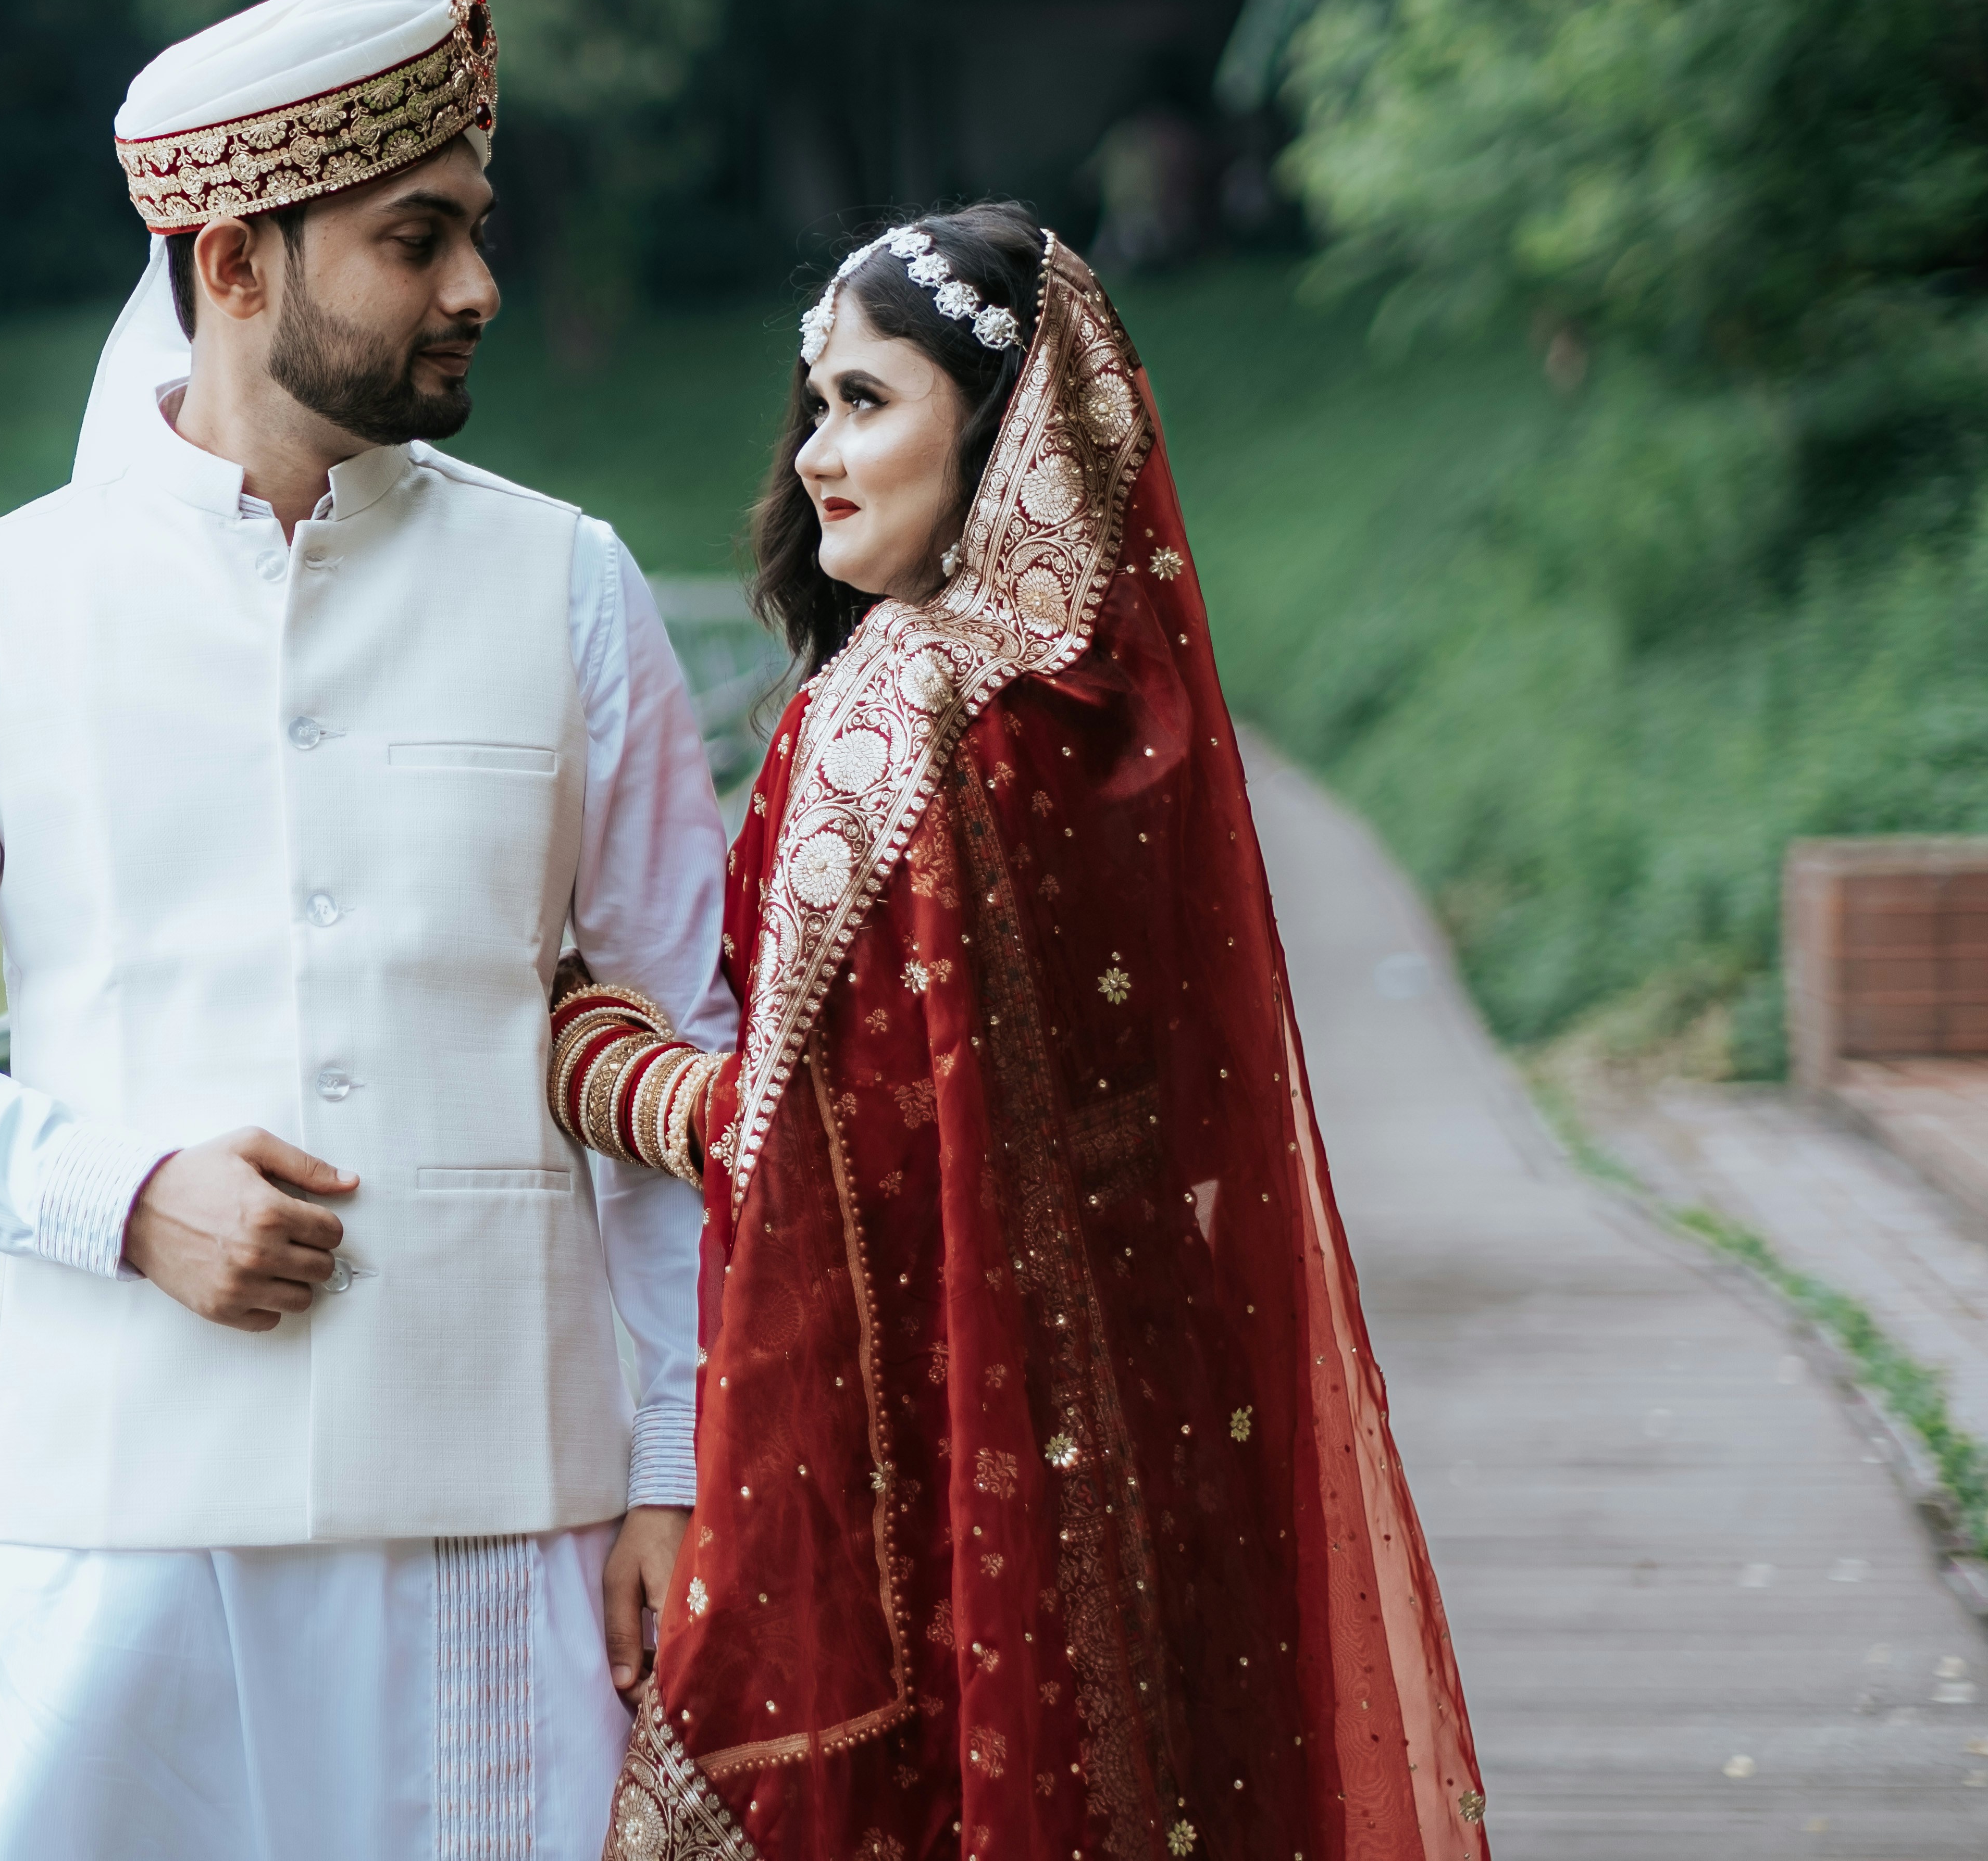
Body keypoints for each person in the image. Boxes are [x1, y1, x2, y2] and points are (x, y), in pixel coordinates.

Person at [0, 0, 730, 1860]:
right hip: (120, 1522)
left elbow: (683, 1076)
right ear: (233, 263)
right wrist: (120, 1200)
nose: (477, 282)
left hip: (501, 1527)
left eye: (475, 224)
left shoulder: (572, 586)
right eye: (414, 237)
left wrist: (673, 1468)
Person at [543, 205, 1491, 1860]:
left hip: (935, 1462)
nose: (820, 454)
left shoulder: (887, 712)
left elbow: (788, 1130)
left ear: (994, 434)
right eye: (816, 407)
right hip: (1155, 1421)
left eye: (866, 404)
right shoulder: (1121, 712)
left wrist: (592, 1058)